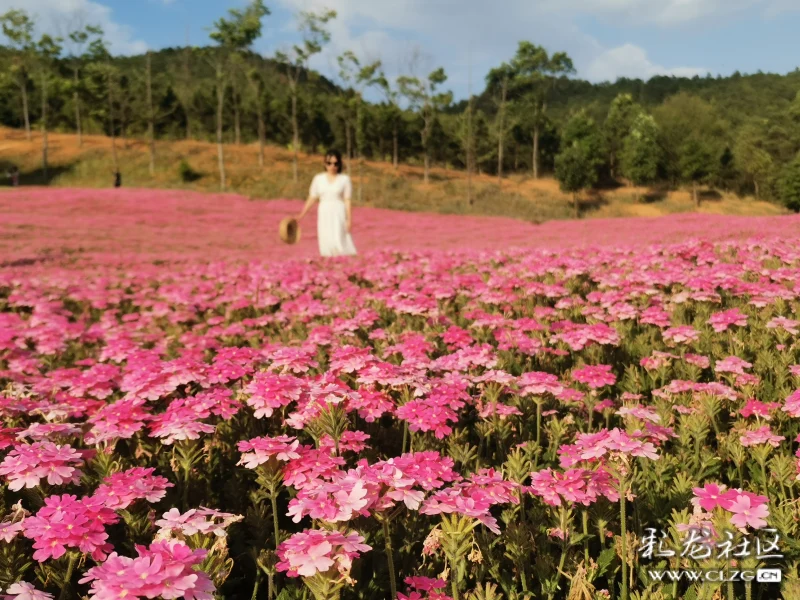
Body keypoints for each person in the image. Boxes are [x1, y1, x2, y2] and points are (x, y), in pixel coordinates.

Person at [296, 149, 357, 257]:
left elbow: (347, 200)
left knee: (339, 237)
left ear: (339, 164)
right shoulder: (318, 179)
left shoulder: (344, 179)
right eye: (329, 163)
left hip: (338, 211)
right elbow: (312, 197)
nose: (332, 166)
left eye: (335, 163)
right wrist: (301, 215)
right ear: (325, 163)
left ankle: (342, 261)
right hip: (324, 211)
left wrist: (349, 219)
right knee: (326, 238)